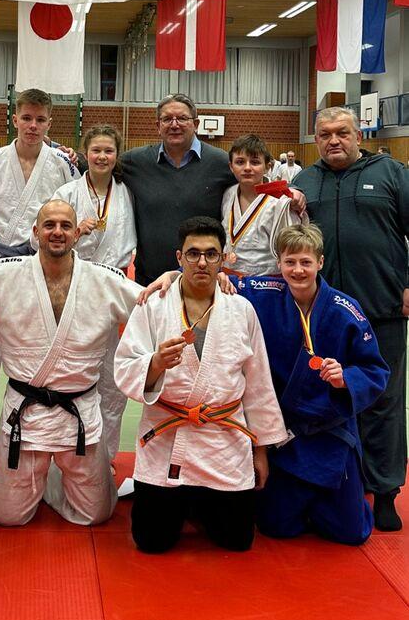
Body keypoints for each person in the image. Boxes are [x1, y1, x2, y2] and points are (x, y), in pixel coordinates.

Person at [0, 200, 140, 527]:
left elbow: (152, 303)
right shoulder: (4, 274)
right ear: (35, 232)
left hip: (80, 414)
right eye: (49, 225)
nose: (57, 232)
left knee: (96, 514)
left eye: (65, 226)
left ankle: (50, 478)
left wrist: (186, 283)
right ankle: (37, 480)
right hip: (25, 416)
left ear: (76, 234)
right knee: (6, 516)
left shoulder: (104, 279)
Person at [114, 216, 286, 554]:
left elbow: (259, 384)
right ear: (179, 258)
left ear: (224, 259)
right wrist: (154, 364)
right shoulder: (154, 305)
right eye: (193, 254)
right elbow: (124, 366)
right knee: (150, 542)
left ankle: (196, 505)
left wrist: (261, 450)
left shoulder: (241, 309)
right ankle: (185, 505)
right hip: (167, 443)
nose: (202, 262)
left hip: (222, 444)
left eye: (211, 254)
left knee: (237, 541)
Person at [233, 225, 389, 544]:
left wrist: (346, 376)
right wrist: (175, 276)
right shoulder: (263, 292)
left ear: (320, 261)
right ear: (279, 264)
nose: (298, 270)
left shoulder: (346, 310)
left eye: (305, 262)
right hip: (286, 436)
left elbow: (375, 370)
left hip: (330, 433)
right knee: (276, 526)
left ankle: (330, 501)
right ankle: (309, 502)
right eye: (290, 262)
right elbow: (209, 279)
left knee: (352, 533)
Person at [293, 106, 409, 531]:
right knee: (333, 399)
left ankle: (385, 490)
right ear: (316, 138)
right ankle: (343, 481)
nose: (333, 140)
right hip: (324, 317)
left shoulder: (393, 174)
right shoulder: (303, 181)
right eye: (324, 134)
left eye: (342, 132)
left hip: (382, 307)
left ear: (358, 134)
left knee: (383, 401)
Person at [0, 89, 80, 461]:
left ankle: (39, 435)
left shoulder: (61, 164)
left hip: (40, 269)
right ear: (15, 119)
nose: (33, 126)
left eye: (40, 120)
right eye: (27, 118)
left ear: (50, 123)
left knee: (38, 355)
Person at [47, 124, 135, 461]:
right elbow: (39, 239)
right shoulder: (67, 193)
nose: (101, 156)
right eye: (96, 150)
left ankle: (104, 459)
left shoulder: (128, 191)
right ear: (85, 152)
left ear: (116, 156)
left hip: (113, 288)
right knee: (69, 376)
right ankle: (62, 455)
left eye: (108, 151)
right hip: (73, 288)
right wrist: (72, 235)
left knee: (111, 383)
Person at [120, 95, 235, 285]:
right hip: (148, 280)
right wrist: (67, 155)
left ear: (196, 124)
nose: (174, 125)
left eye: (182, 118)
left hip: (202, 279)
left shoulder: (221, 162)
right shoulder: (135, 162)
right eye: (167, 119)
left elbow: (257, 181)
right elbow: (98, 166)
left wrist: (293, 190)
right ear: (158, 126)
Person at [222, 133, 302, 276]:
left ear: (267, 167)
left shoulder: (281, 201)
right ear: (231, 166)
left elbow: (293, 249)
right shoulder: (228, 194)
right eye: (240, 162)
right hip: (228, 280)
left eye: (255, 162)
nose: (247, 168)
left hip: (266, 283)